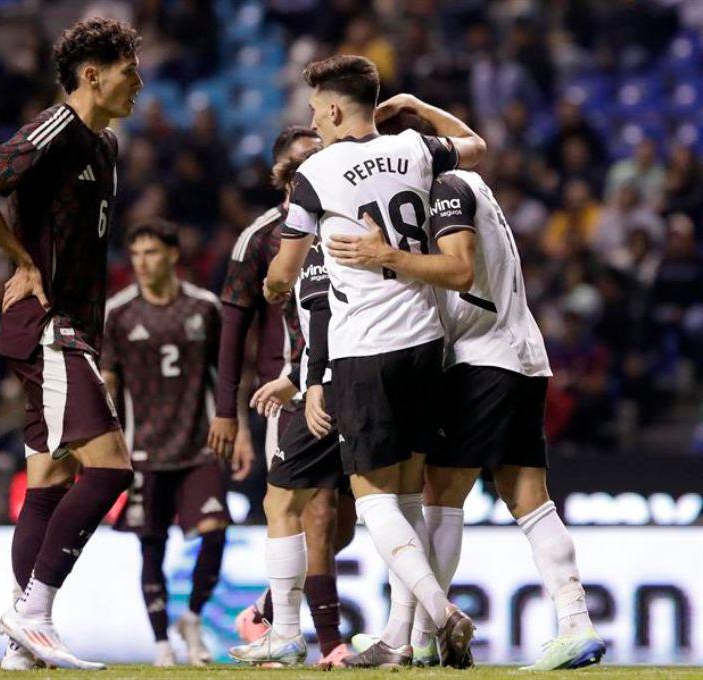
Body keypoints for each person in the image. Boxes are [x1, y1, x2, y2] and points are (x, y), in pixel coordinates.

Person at [331, 136, 606, 671]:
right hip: (522, 355)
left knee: (439, 495)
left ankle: (412, 636)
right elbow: (473, 143)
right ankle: (577, 624)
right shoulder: (472, 184)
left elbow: (459, 270)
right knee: (530, 499)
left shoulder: (446, 190)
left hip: (482, 358)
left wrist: (386, 256)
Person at [264, 55, 485, 669]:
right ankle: (401, 640)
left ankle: (443, 612)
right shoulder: (416, 148)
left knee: (372, 500)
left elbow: (286, 268)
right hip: (426, 343)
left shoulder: (314, 172)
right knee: (408, 495)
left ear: (334, 109)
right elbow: (476, 145)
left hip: (364, 348)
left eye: (316, 109)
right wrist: (414, 105)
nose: (314, 120)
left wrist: (273, 286)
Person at [0, 17, 143, 671]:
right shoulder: (56, 126)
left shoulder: (104, 145)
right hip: (50, 325)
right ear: (92, 75)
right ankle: (32, 615)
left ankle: (20, 645)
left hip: (70, 328)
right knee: (111, 469)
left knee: (51, 480)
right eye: (128, 71)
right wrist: (21, 260)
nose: (139, 83)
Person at [210, 126, 355, 651]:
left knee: (343, 526)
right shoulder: (262, 237)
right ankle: (329, 645)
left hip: (350, 381)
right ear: (282, 176)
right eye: (302, 162)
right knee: (314, 512)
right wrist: (226, 412)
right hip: (290, 391)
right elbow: (233, 330)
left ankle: (265, 611)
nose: (314, 167)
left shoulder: (347, 223)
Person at [100, 219, 227, 667]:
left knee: (215, 532)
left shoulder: (204, 307)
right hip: (144, 450)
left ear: (173, 254)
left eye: (151, 252)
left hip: (199, 445)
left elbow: (226, 374)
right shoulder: (119, 312)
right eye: (135, 254)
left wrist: (235, 428)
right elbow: (109, 382)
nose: (141, 262)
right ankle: (161, 645)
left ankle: (192, 616)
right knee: (151, 544)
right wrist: (106, 442)